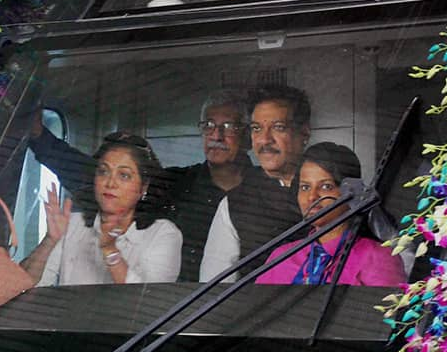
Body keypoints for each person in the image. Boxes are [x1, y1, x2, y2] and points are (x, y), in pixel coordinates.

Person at [27, 90, 253, 281]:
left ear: (247, 136)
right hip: (175, 315)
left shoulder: (268, 190)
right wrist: (40, 138)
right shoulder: (177, 184)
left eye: (229, 126)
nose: (216, 135)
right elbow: (104, 179)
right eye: (209, 125)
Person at [21, 132, 182, 286]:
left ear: (144, 187)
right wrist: (50, 241)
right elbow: (21, 287)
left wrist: (110, 251)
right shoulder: (73, 223)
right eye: (103, 172)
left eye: (124, 175)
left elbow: (149, 303)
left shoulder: (163, 233)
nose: (110, 183)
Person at [199, 84, 311, 282]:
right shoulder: (234, 204)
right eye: (257, 129)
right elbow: (214, 287)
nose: (265, 140)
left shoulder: (333, 192)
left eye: (278, 127)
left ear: (304, 134)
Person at [256, 143, 406, 286]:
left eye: (326, 186)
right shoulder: (281, 257)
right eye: (305, 187)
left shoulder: (377, 258)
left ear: (351, 192)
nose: (312, 197)